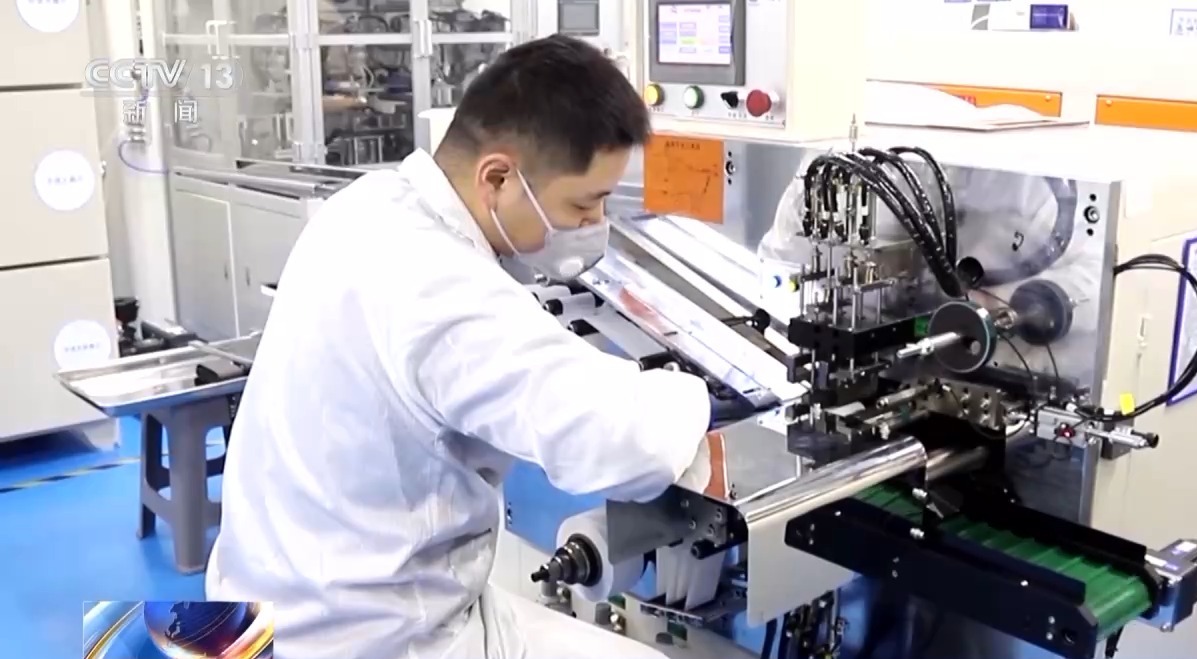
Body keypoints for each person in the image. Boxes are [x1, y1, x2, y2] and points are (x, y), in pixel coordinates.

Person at [206, 35, 711, 659]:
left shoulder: (368, 203)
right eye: (584, 203)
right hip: (369, 638)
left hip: (261, 608)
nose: (594, 225)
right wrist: (695, 393)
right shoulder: (442, 287)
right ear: (497, 177)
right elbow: (626, 446)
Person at [758, 82, 1100, 379]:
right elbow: (778, 269)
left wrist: (1008, 303)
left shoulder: (1020, 178)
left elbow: (1096, 290)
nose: (881, 271)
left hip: (997, 365)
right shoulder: (828, 167)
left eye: (889, 260)